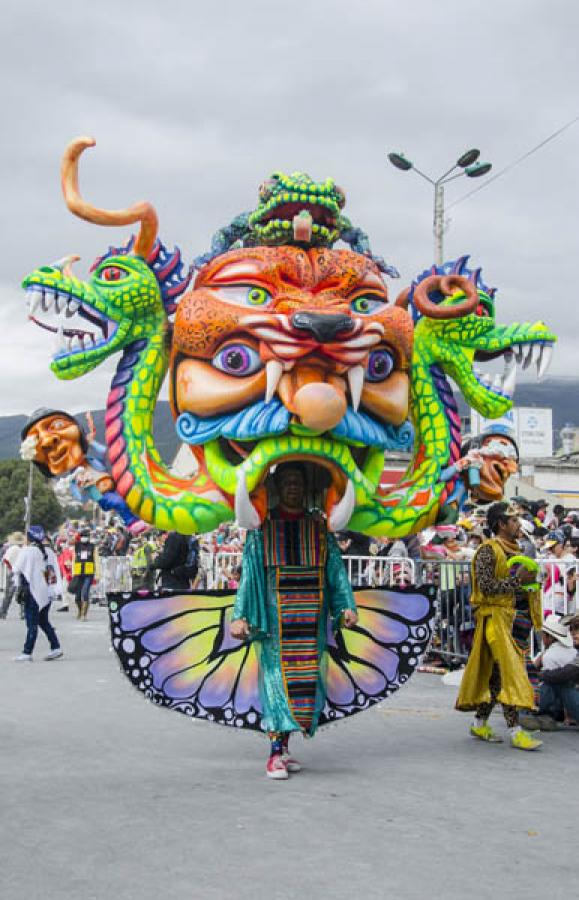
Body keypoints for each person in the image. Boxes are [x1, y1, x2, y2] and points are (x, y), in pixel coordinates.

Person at [230, 463, 358, 780]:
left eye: (297, 481)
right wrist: (241, 614)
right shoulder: (262, 529)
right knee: (277, 681)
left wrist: (346, 605)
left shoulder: (319, 527)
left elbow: (336, 573)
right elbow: (250, 575)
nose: (293, 487)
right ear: (277, 487)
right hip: (276, 621)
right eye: (286, 481)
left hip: (310, 619)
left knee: (303, 683)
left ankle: (284, 749)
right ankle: (274, 754)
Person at [455, 502, 542, 750]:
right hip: (495, 622)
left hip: (514, 621)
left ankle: (480, 722)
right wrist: (517, 581)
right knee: (509, 672)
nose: (518, 524)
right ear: (501, 524)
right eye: (512, 520)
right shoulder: (487, 551)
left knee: (496, 677)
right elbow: (486, 587)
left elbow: (518, 585)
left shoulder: (518, 549)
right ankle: (516, 732)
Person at [13, 525, 63, 662]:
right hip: (46, 592)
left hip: (32, 591)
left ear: (29, 537)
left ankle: (27, 652)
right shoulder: (49, 552)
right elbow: (51, 573)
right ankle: (56, 646)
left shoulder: (27, 551)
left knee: (32, 623)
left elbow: (16, 569)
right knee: (43, 621)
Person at [536, 612, 579, 725]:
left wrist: (541, 674)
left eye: (577, 628)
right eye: (572, 629)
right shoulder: (575, 652)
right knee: (556, 679)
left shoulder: (552, 655)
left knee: (557, 681)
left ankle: (545, 715)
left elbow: (566, 673)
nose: (573, 633)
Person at [72, 529, 98, 619]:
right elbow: (74, 559)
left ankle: (84, 614)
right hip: (78, 573)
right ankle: (80, 610)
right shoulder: (77, 546)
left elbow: (96, 560)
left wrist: (98, 574)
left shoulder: (92, 546)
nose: (84, 538)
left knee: (85, 592)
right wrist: (73, 572)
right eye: (82, 536)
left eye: (86, 536)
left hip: (89, 573)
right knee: (77, 596)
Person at [1, 532, 25, 619]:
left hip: (11, 572)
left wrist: (11, 568)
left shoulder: (12, 549)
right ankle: (23, 613)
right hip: (21, 572)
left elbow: (6, 560)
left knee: (8, 594)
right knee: (22, 593)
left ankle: (3, 612)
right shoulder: (23, 548)